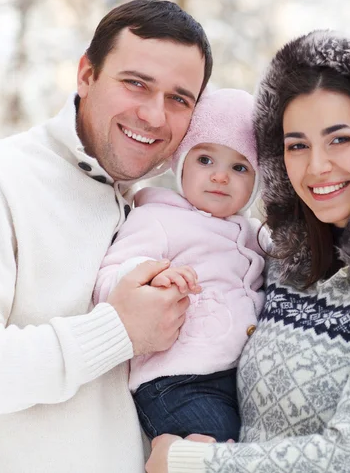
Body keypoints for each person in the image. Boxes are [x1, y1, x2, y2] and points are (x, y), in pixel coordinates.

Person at [148, 30, 350, 473]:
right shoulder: (285, 260)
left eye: (339, 139)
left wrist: (195, 462)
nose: (317, 166)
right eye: (297, 145)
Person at [0, 0, 213, 472]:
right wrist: (116, 331)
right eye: (136, 84)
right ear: (86, 74)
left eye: (179, 99)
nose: (154, 115)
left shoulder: (163, 211)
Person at [93, 88, 268, 443]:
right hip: (175, 379)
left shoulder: (253, 233)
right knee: (216, 442)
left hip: (233, 378)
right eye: (205, 160)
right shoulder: (158, 218)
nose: (220, 177)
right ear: (181, 162)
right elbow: (110, 277)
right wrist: (152, 276)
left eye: (239, 167)